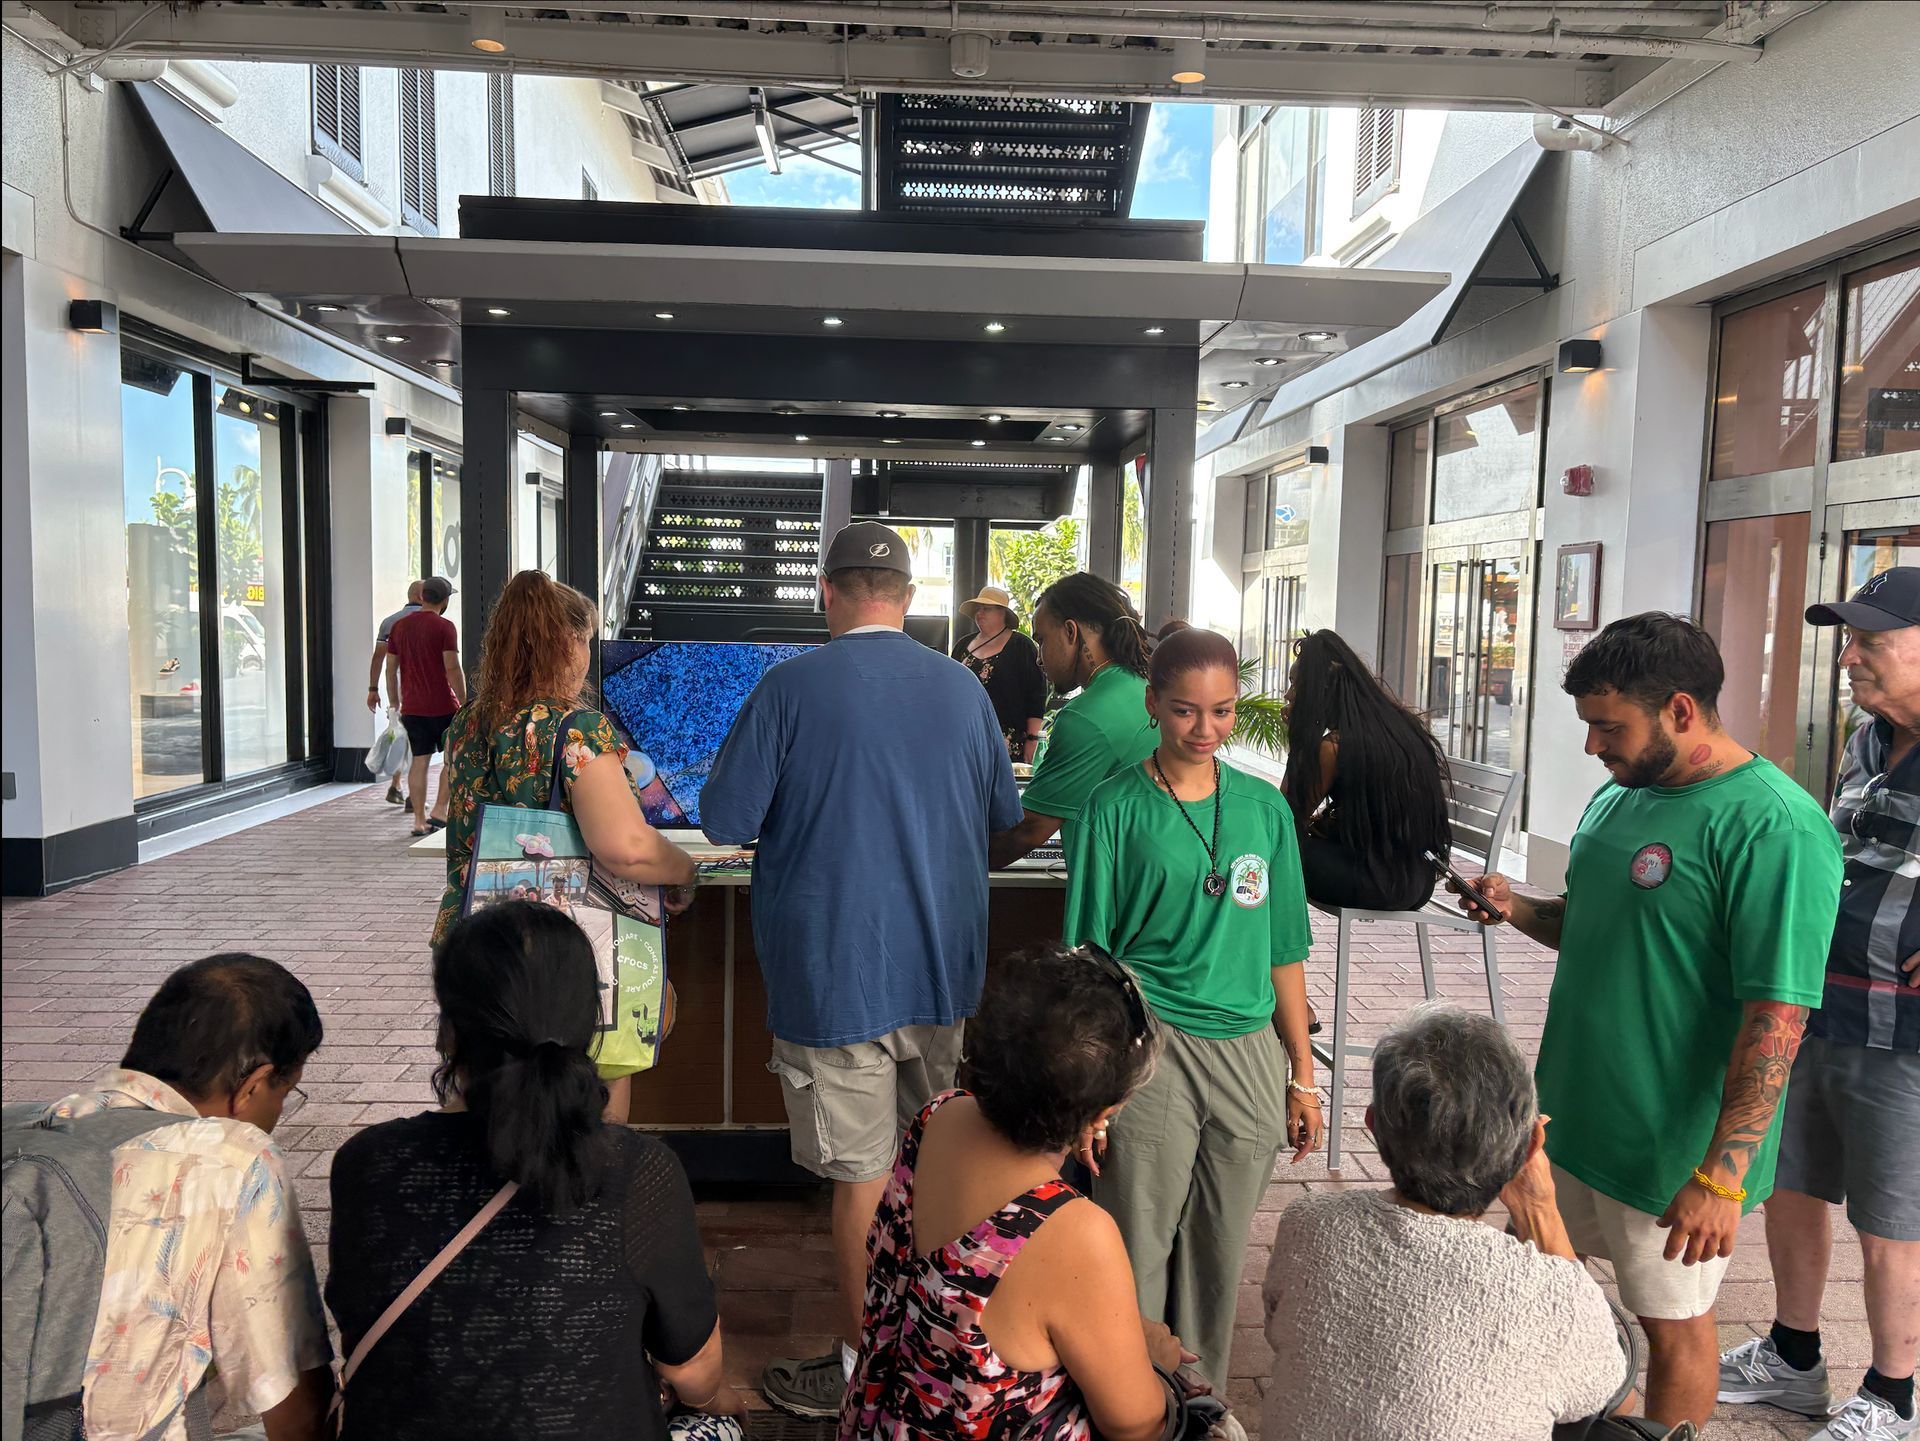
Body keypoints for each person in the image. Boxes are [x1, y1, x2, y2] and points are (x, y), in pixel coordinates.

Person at [1453, 612, 1844, 1431]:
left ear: (1679, 709)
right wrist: (1516, 906)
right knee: (1547, 1296)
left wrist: (1722, 1176)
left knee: (1675, 1332)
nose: (1595, 748)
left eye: (1608, 727)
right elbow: (1594, 920)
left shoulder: (1775, 826)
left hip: (1672, 1155)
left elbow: (1778, 1016)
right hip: (1569, 1120)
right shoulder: (1621, 793)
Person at [700, 521, 1023, 1417]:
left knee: (862, 1180)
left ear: (826, 591)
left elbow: (725, 816)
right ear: (908, 596)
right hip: (942, 968)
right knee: (940, 1169)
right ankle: (948, 1357)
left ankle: (864, 1370)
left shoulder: (788, 686)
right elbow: (1002, 814)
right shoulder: (962, 690)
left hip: (830, 974)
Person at [327, 903, 737, 1439]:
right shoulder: (636, 1172)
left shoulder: (368, 1163)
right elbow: (691, 1368)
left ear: (448, 1033)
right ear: (591, 1024)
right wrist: (722, 1404)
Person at [1063, 625, 1319, 1393]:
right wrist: (1092, 1090)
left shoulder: (1265, 811)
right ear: (1151, 703)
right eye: (1184, 711)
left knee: (1220, 1245)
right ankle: (1127, 1396)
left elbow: (1284, 951)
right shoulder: (1113, 807)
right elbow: (1089, 961)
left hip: (1247, 1049)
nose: (1204, 729)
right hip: (1151, 1047)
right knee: (1136, 1238)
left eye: (1222, 711)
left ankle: (1196, 1398)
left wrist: (1302, 1075)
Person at [1719, 567, 1920, 1440]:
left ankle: (1894, 1394)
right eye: (1850, 639)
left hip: (1903, 1035)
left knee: (1892, 1217)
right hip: (1817, 1001)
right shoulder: (1867, 735)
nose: (1850, 657)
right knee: (1792, 1182)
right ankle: (1795, 1357)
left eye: (1870, 641)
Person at [841, 945, 1191, 1441]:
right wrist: (1154, 1360)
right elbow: (1136, 1424)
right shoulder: (1073, 1232)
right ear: (1099, 1117)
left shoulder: (939, 1115)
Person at [1262, 1005, 1625, 1441]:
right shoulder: (1555, 1292)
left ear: (1374, 1127)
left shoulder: (1308, 1222)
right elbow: (1611, 1399)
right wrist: (1540, 1210)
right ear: (1531, 1147)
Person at [28, 956, 333, 1441]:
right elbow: (289, 1394)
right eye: (285, 1093)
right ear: (252, 1086)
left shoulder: (23, 1127)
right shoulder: (230, 1159)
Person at [433, 569, 696, 1121]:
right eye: (587, 640)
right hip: (566, 951)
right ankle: (585, 1206)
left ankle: (475, 1207)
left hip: (475, 940)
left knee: (478, 1088)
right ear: (568, 643)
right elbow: (626, 847)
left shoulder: (467, 725)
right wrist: (683, 869)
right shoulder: (577, 731)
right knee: (595, 1091)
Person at [990, 573, 1156, 869]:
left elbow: (1027, 831)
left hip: (1119, 895)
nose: (1039, 659)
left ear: (1070, 632)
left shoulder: (1087, 715)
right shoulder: (1142, 687)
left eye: (1041, 640)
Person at [1281, 628, 1452, 912]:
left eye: (1296, 685)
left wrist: (1299, 741)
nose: (1288, 695)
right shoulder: (1395, 723)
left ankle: (1268, 950)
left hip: (1377, 882)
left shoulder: (1334, 747)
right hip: (1417, 879)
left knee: (1266, 855)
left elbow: (1285, 816)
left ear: (1322, 690)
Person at [388, 576, 466, 837]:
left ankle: (419, 821)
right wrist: (465, 701)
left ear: (422, 597)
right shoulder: (445, 627)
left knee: (418, 762)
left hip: (413, 707)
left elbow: (391, 669)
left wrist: (394, 701)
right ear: (444, 601)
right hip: (443, 706)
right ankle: (440, 809)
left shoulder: (399, 627)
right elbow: (452, 667)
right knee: (452, 758)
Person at [951, 584, 1048, 764]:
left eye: (986, 609)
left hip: (1008, 742)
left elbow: (1036, 695)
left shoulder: (1021, 646)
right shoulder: (962, 645)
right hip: (965, 737)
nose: (979, 613)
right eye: (977, 609)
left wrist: (1033, 740)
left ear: (1002, 613)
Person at [367, 579, 424, 806]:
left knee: (402, 736)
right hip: (420, 692)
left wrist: (373, 688)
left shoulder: (389, 622)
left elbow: (378, 657)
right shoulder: (432, 621)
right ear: (422, 596)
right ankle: (412, 795)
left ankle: (397, 786)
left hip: (396, 691)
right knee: (417, 743)